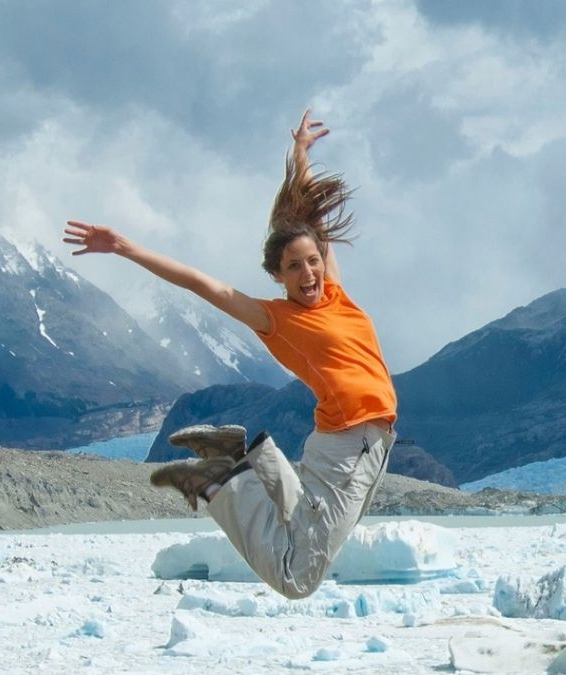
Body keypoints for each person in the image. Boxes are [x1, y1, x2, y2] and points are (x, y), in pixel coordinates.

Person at [63, 109, 397, 600]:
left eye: (312, 262)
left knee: (295, 518)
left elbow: (310, 218)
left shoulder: (336, 295)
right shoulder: (277, 318)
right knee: (296, 579)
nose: (308, 273)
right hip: (351, 445)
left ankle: (247, 456)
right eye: (293, 267)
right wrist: (126, 248)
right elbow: (207, 285)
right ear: (277, 276)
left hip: (365, 443)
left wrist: (301, 154)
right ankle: (221, 478)